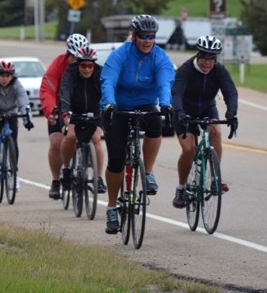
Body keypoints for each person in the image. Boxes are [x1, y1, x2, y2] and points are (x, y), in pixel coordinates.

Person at [100, 14, 175, 235]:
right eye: (143, 36)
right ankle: (112, 207)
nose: (147, 41)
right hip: (118, 106)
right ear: (134, 37)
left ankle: (148, 172)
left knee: (155, 123)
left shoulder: (160, 57)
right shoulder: (121, 54)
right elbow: (109, 80)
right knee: (115, 162)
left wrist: (166, 104)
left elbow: (164, 81)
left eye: (151, 37)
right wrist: (109, 104)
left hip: (145, 103)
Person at [170, 35, 238, 209]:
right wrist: (180, 113)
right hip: (184, 111)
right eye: (204, 58)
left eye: (212, 59)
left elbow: (230, 93)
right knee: (189, 149)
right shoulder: (186, 70)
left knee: (216, 131)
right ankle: (181, 187)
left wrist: (231, 113)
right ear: (198, 55)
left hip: (207, 108)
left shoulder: (219, 70)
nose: (207, 63)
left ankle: (215, 178)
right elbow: (176, 94)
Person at [39, 33, 85, 200]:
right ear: (68, 54)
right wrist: (50, 111)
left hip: (80, 107)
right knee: (57, 141)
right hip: (59, 107)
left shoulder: (88, 65)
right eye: (73, 56)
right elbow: (47, 89)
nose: (76, 60)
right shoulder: (58, 64)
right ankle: (56, 180)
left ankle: (91, 171)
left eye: (78, 57)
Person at [58, 46, 107, 194]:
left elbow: (106, 91)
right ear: (78, 64)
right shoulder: (70, 73)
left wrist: (108, 108)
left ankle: (98, 178)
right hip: (74, 112)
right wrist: (65, 112)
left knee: (96, 138)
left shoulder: (100, 72)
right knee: (70, 136)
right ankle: (66, 168)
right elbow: (65, 91)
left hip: (95, 112)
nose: (87, 69)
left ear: (94, 65)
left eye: (90, 65)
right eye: (83, 65)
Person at [0, 60, 34, 188]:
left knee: (14, 142)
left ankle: (14, 175)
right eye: (2, 76)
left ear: (12, 76)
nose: (5, 79)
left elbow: (23, 101)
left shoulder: (16, 84)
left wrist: (27, 120)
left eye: (8, 76)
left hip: (11, 111)